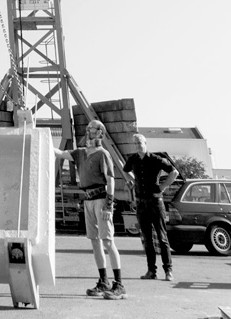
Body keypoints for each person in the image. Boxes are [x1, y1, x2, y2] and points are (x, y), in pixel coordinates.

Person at [56, 119, 126, 299]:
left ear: (100, 133)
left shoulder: (103, 154)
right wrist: (41, 138)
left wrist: (109, 206)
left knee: (108, 242)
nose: (88, 131)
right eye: (87, 128)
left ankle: (119, 285)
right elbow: (61, 153)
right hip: (88, 200)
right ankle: (104, 281)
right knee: (95, 241)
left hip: (101, 200)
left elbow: (110, 180)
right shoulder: (80, 153)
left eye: (92, 129)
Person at [122, 134, 178, 281]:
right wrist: (131, 180)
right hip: (141, 203)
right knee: (147, 239)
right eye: (135, 143)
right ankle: (151, 271)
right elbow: (125, 170)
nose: (137, 145)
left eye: (140, 142)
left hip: (155, 201)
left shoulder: (155, 159)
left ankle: (168, 270)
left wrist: (163, 186)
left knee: (162, 237)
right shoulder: (133, 159)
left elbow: (174, 172)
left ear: (145, 143)